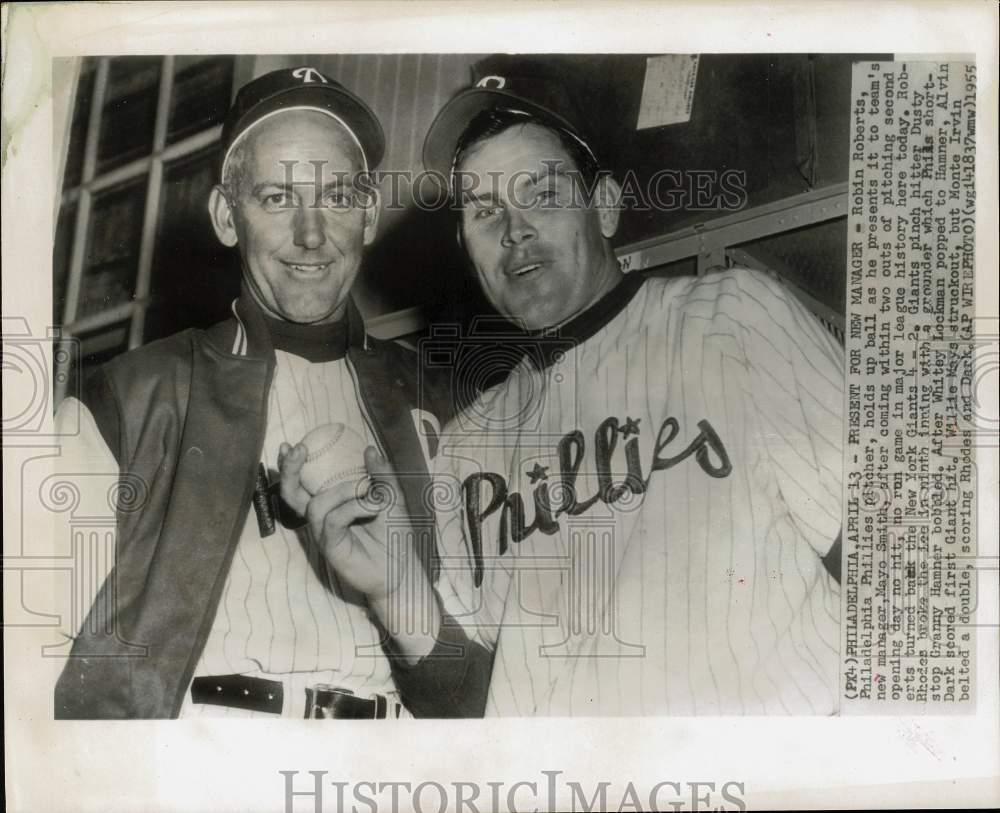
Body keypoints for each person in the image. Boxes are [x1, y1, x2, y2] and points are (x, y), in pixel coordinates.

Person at [293, 60, 845, 717]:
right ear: (467, 248)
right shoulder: (467, 445)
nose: (514, 229)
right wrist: (394, 591)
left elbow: (892, 552)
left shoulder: (731, 317)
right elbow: (469, 705)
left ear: (604, 206)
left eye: (543, 193)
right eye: (485, 210)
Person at [53, 67, 449, 719]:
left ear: (370, 215)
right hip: (211, 742)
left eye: (337, 196)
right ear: (226, 216)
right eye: (276, 197)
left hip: (392, 752)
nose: (311, 233)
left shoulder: (440, 403)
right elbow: (29, 650)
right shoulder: (129, 399)